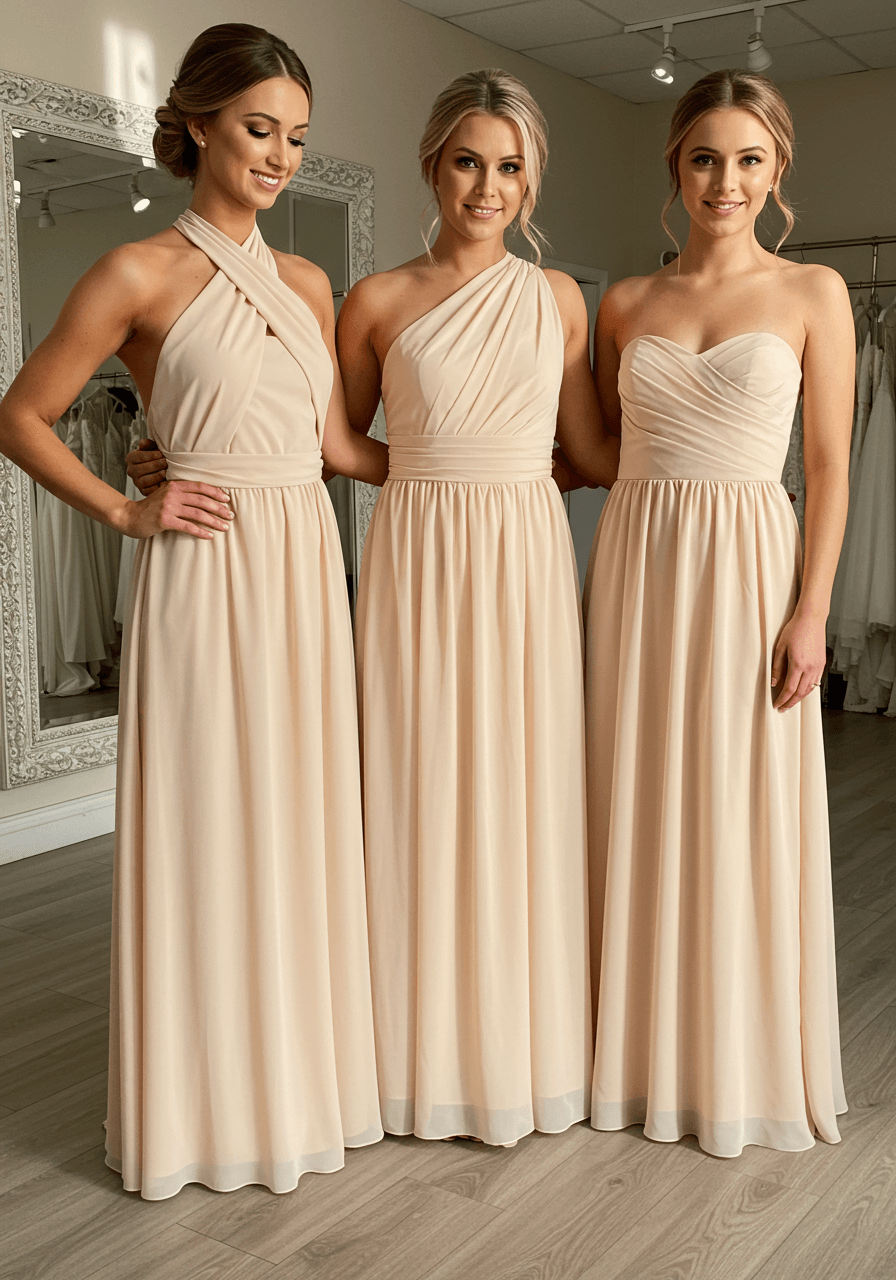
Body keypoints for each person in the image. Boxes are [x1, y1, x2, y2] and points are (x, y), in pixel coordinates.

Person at [0, 23, 388, 1199]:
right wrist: (126, 513)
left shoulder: (310, 282)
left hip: (300, 566)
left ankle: (297, 1078)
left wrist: (492, 463)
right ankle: (204, 1101)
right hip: (204, 571)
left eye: (296, 138)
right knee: (212, 817)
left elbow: (334, 450)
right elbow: (21, 416)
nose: (278, 156)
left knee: (298, 814)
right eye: (259, 128)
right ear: (200, 122)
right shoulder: (135, 272)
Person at [337, 69, 618, 1146]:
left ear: (530, 179)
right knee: (416, 782)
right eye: (468, 160)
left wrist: (709, 444)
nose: (486, 185)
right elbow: (327, 439)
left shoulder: (555, 300)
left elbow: (588, 449)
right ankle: (414, 1054)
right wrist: (429, 472)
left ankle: (525, 1047)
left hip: (522, 562)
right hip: (415, 555)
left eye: (509, 166)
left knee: (519, 785)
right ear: (431, 163)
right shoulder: (373, 301)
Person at [585, 70, 852, 1158]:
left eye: (747, 159)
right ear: (675, 168)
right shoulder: (624, 305)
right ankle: (640, 1052)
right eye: (704, 158)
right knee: (636, 789)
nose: (724, 180)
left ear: (776, 170)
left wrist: (809, 610)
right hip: (636, 563)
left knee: (738, 797)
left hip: (748, 564)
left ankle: (737, 1060)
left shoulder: (812, 293)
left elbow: (830, 466)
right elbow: (591, 452)